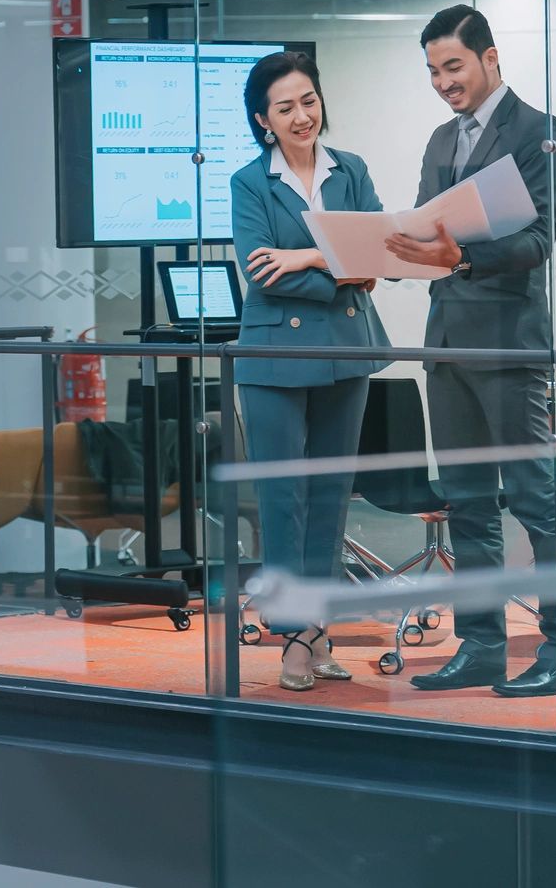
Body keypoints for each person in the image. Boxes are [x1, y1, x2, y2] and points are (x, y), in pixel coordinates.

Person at [383, 4, 556, 697]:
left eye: (453, 66)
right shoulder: (441, 139)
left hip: (506, 344)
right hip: (446, 343)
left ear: (490, 58)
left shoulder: (536, 131)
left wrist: (459, 255)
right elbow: (423, 229)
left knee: (535, 499)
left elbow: (537, 242)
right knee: (466, 503)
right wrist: (385, 251)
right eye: (433, 71)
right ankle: (482, 647)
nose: (443, 82)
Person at [229, 50, 390, 692]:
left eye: (309, 101)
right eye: (285, 107)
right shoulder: (249, 182)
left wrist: (302, 258)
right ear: (263, 120)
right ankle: (296, 634)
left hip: (347, 348)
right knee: (283, 499)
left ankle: (317, 629)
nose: (301, 116)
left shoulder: (351, 170)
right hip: (274, 355)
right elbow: (259, 270)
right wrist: (336, 269)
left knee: (330, 495)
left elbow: (377, 255)